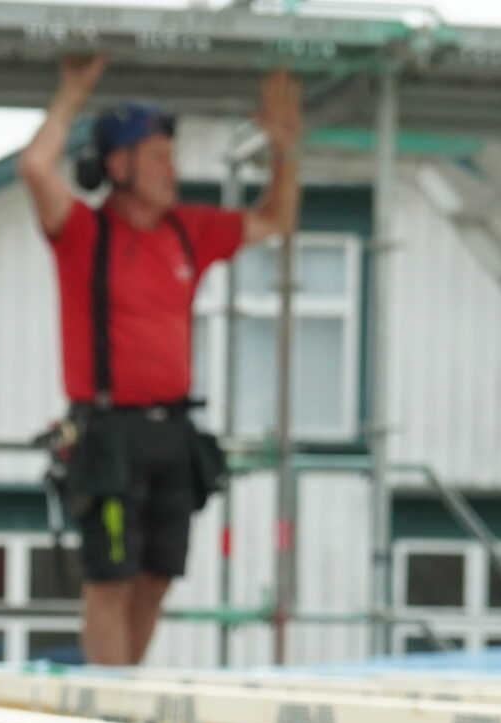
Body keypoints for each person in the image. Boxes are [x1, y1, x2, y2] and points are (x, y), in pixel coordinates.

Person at [20, 53, 302, 666]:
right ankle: (111, 713)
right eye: (158, 157)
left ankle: (123, 694)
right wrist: (73, 94)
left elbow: (276, 217)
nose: (172, 170)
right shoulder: (83, 235)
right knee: (110, 579)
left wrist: (283, 151)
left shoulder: (187, 231)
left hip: (173, 432)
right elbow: (35, 167)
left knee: (155, 577)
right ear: (117, 166)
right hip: (109, 432)